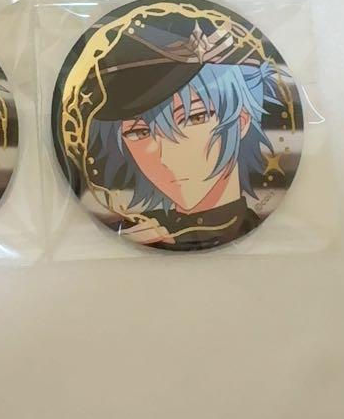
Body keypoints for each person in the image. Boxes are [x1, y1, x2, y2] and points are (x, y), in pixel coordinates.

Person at [80, 17, 280, 251]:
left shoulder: (272, 235)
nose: (166, 157)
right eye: (138, 132)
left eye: (194, 118)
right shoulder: (130, 229)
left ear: (241, 121)